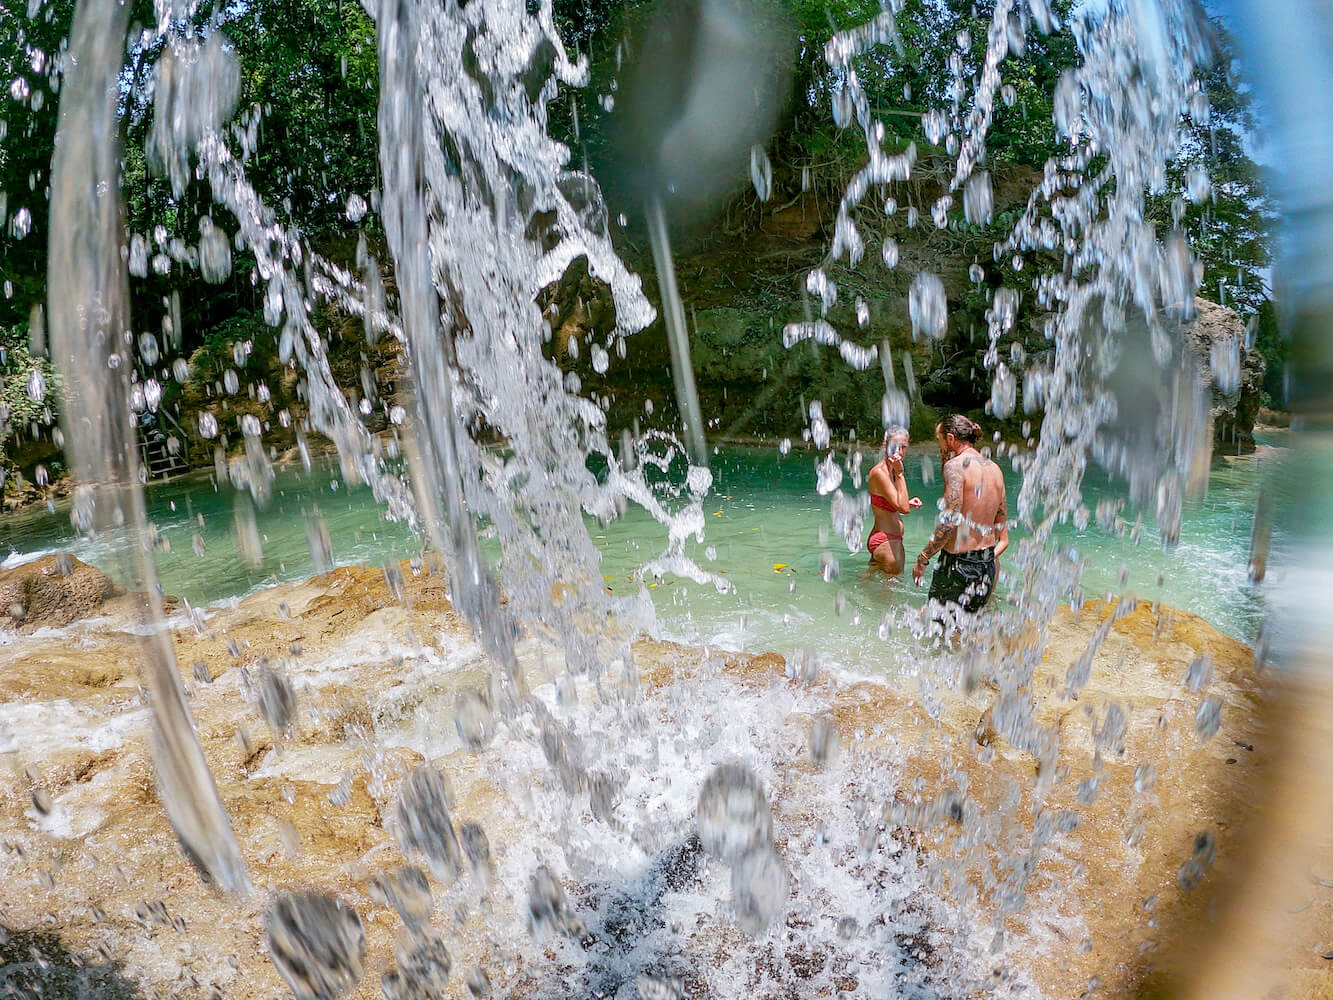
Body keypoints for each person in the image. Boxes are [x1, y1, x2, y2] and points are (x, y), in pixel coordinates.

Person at [912, 414, 1009, 614]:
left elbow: (950, 521)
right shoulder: (995, 469)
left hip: (958, 565)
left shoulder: (955, 466)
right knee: (968, 629)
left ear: (950, 438)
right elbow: (1000, 523)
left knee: (941, 629)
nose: (939, 447)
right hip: (987, 563)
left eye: (939, 440)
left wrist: (923, 557)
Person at [867, 426, 922, 574]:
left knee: (869, 582)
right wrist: (900, 474)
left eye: (903, 447)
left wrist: (908, 502)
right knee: (891, 594)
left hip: (885, 538)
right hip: (887, 541)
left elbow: (893, 503)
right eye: (894, 446)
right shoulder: (880, 472)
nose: (899, 452)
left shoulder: (889, 469)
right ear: (885, 446)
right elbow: (903, 509)